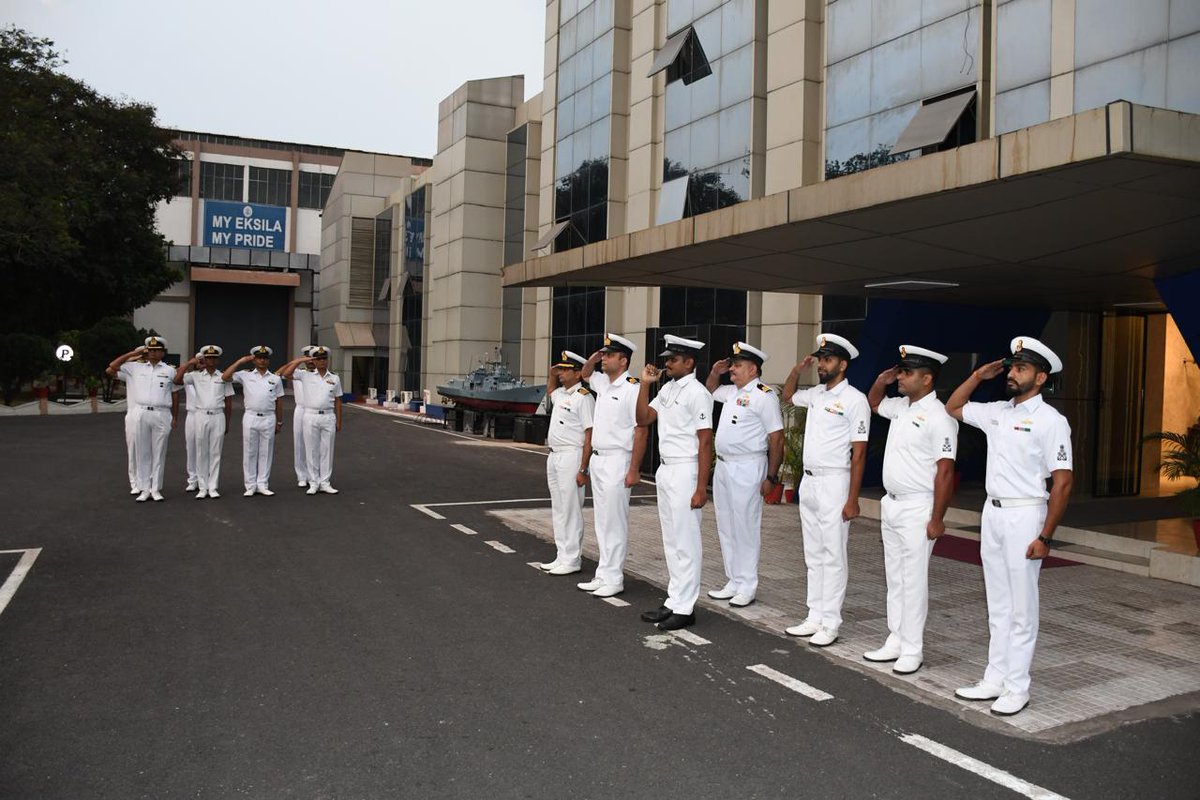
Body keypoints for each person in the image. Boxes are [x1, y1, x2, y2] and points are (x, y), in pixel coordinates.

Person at [946, 336, 1073, 717]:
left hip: (1025, 514)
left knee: (1021, 608)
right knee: (998, 604)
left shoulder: (1051, 421)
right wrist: (977, 376)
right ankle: (994, 678)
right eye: (1012, 367)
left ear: (1041, 376)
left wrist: (1045, 535)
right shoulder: (999, 411)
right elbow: (954, 406)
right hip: (993, 513)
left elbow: (1063, 481)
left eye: (1021, 368)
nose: (1013, 374)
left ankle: (1018, 687)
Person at [864, 345, 958, 675]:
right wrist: (881, 379)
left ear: (927, 378)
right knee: (895, 576)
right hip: (892, 503)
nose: (900, 377)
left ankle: (913, 648)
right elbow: (873, 404)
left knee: (913, 579)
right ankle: (895, 638)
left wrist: (937, 518)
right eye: (900, 371)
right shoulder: (900, 407)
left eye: (907, 373)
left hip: (919, 506)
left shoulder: (940, 416)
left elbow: (945, 471)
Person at [781, 333, 870, 646]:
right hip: (810, 482)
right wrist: (796, 371)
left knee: (833, 555)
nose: (821, 365)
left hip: (835, 481)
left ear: (842, 364)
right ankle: (814, 616)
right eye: (820, 360)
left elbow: (859, 453)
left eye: (827, 360)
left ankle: (831, 623)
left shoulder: (855, 400)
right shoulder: (816, 394)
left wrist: (853, 499)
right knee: (813, 553)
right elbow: (788, 397)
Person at [636, 334, 713, 631]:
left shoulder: (698, 393)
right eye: (667, 359)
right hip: (666, 471)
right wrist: (644, 384)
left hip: (686, 470)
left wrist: (700, 487)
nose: (667, 364)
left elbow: (705, 442)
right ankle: (674, 598)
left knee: (687, 541)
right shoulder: (666, 389)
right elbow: (643, 418)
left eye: (673, 359)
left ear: (689, 362)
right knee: (671, 539)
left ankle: (685, 607)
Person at [704, 342, 785, 609]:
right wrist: (715, 372)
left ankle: (748, 584)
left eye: (737, 366)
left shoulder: (764, 395)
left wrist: (771, 477)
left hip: (748, 467)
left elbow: (776, 437)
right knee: (726, 525)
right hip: (725, 467)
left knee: (745, 527)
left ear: (753, 369)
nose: (732, 370)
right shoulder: (730, 392)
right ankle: (734, 580)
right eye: (732, 365)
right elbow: (709, 391)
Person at [577, 334, 649, 598]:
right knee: (602, 521)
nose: (604, 359)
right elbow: (585, 373)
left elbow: (641, 430)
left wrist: (634, 469)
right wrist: (594, 358)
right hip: (599, 459)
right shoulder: (603, 383)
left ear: (624, 360)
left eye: (609, 355)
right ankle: (603, 573)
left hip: (619, 459)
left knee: (615, 522)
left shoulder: (632, 388)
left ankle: (614, 577)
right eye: (603, 355)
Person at [538, 350, 595, 576]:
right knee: (559, 508)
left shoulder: (584, 397)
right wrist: (552, 374)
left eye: (565, 370)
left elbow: (590, 434)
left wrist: (583, 467)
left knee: (571, 509)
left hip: (572, 455)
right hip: (554, 455)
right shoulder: (561, 394)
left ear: (578, 372)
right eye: (559, 369)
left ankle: (572, 559)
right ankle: (562, 555)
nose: (560, 373)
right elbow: (550, 390)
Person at [107, 336, 180, 502]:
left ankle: (156, 489)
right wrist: (133, 353)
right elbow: (112, 367)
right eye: (150, 350)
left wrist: (175, 417)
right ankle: (144, 488)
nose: (153, 353)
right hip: (141, 412)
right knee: (142, 452)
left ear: (163, 353)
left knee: (159, 452)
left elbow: (175, 394)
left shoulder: (170, 370)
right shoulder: (134, 367)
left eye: (157, 350)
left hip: (162, 413)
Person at [222, 346, 285, 496]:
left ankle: (262, 483)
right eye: (259, 358)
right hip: (250, 416)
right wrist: (240, 361)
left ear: (268, 360)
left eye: (264, 358)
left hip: (269, 417)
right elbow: (225, 377)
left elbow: (279, 401)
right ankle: (250, 485)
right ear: (254, 360)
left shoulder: (275, 378)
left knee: (266, 452)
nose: (262, 360)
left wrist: (280, 421)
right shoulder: (245, 375)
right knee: (250, 451)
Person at [280, 346, 343, 495]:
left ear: (327, 360)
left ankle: (325, 482)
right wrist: (300, 360)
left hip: (328, 415)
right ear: (313, 361)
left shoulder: (334, 378)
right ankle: (314, 482)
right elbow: (285, 373)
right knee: (311, 449)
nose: (322, 361)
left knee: (327, 450)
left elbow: (338, 400)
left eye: (324, 358)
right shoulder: (305, 375)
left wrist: (339, 421)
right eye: (318, 359)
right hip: (310, 415)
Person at [175, 345, 233, 499]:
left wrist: (227, 423)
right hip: (200, 415)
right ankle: (202, 486)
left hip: (218, 415)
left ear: (218, 360)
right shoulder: (195, 376)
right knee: (201, 452)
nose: (211, 361)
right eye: (208, 358)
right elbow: (177, 379)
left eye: (214, 358)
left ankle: (213, 486)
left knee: (215, 452)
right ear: (204, 359)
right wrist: (189, 363)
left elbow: (229, 402)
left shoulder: (223, 377)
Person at [282, 346, 315, 488]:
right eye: (307, 358)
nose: (310, 361)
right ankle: (301, 475)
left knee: (314, 444)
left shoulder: (320, 374)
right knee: (299, 444)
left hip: (313, 410)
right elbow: (281, 372)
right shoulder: (297, 372)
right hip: (300, 409)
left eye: (312, 358)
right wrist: (297, 361)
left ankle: (313, 474)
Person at [182, 351, 203, 492]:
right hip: (192, 415)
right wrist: (189, 363)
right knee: (191, 447)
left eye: (203, 361)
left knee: (204, 448)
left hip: (205, 414)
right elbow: (175, 377)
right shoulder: (188, 377)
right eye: (199, 361)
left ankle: (203, 478)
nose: (201, 364)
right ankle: (192, 479)